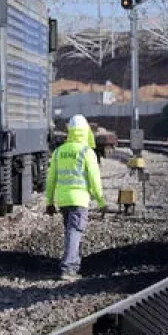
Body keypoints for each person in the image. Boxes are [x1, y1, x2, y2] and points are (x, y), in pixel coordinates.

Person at [45, 114, 108, 279]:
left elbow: (51, 179)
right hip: (79, 200)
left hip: (64, 200)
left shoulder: (59, 152)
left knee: (71, 231)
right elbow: (94, 179)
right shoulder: (87, 152)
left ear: (70, 131)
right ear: (85, 131)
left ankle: (75, 264)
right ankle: (68, 268)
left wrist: (50, 201)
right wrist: (101, 201)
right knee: (75, 231)